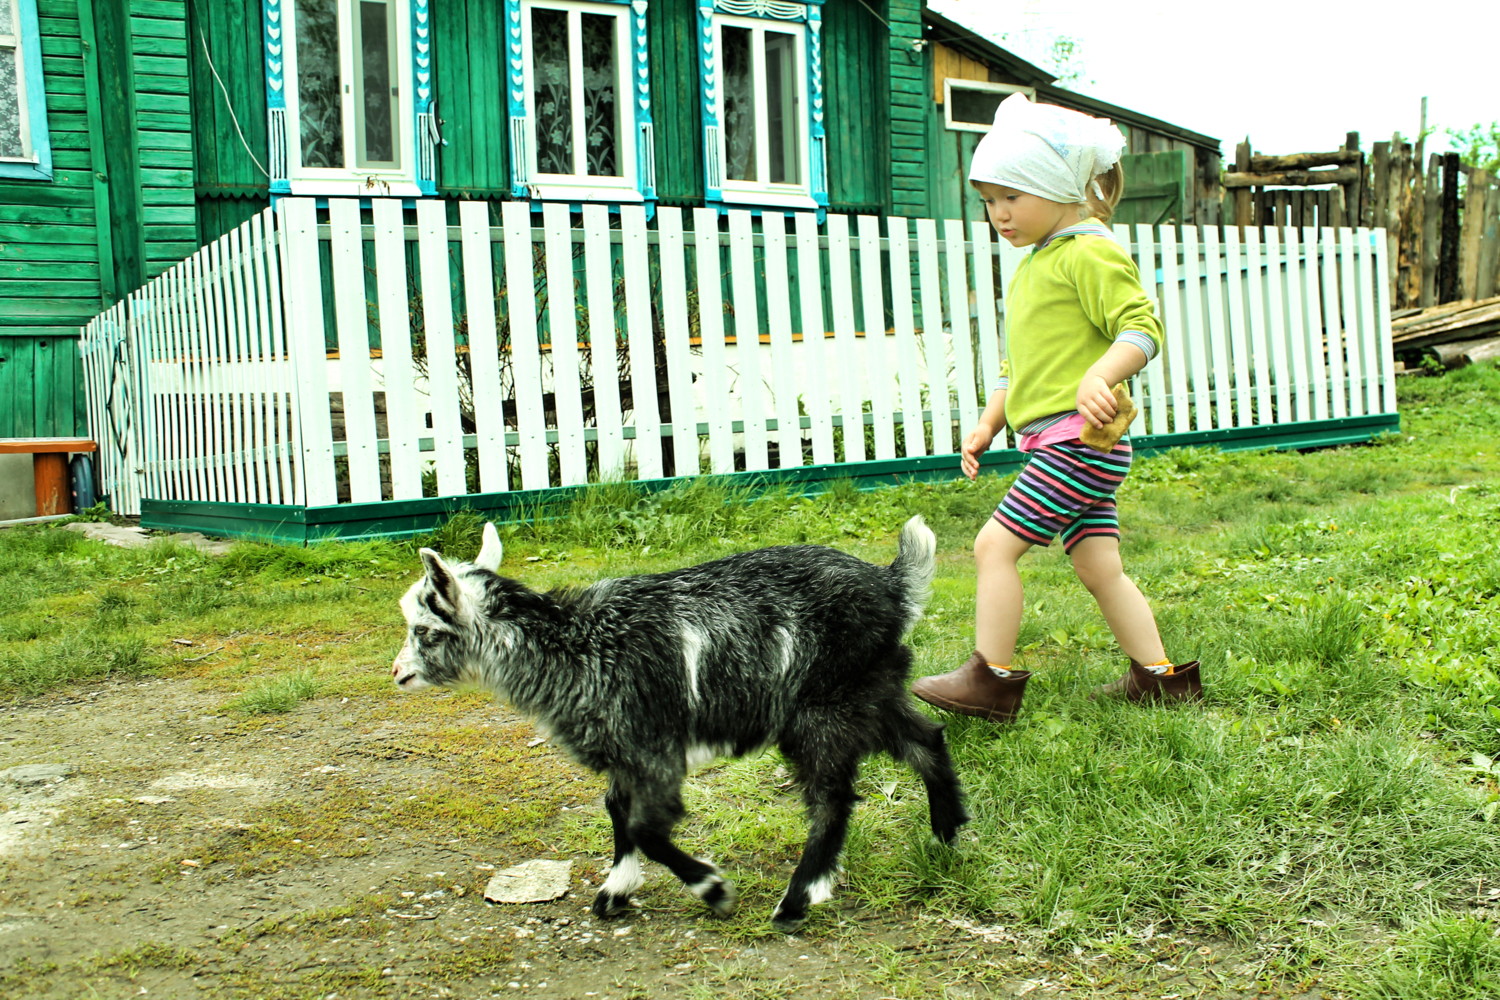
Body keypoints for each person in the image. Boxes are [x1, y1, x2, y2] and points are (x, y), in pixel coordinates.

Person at [910, 94, 1201, 724]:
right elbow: (1022, 368)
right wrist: (991, 420)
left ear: (1054, 187)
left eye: (1011, 196)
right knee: (1100, 567)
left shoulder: (1088, 251)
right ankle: (1160, 678)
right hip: (1067, 444)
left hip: (1077, 442)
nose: (999, 214)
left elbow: (1141, 328)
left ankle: (989, 679)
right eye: (988, 201)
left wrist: (1101, 372)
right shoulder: (1036, 265)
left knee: (994, 547)